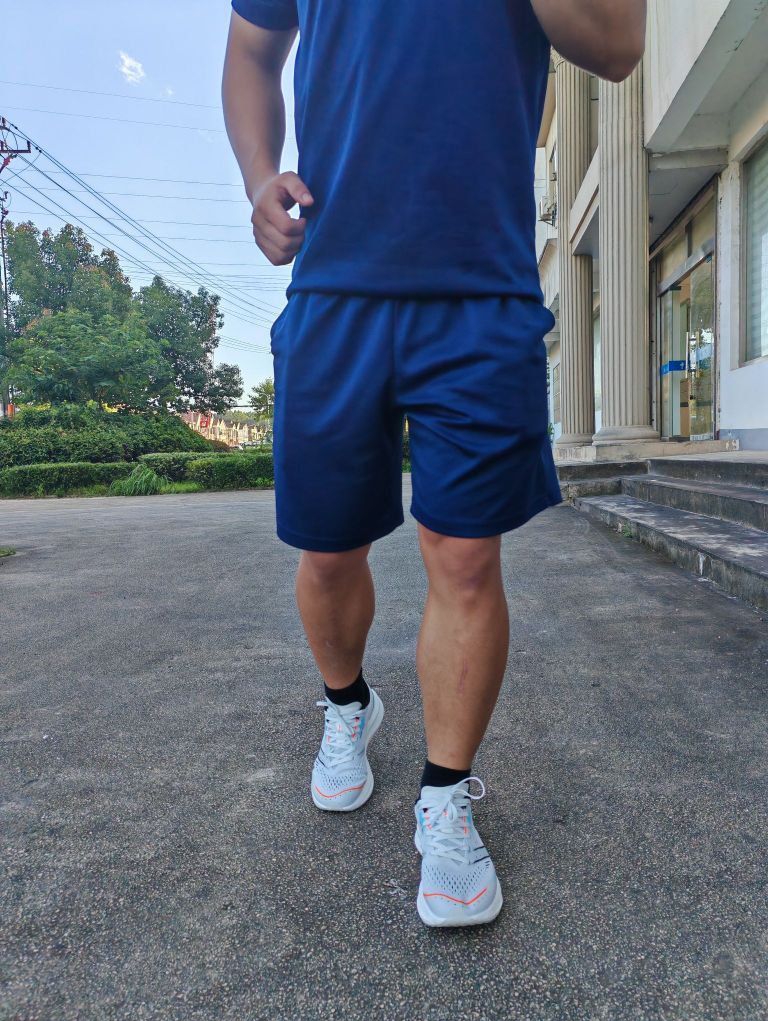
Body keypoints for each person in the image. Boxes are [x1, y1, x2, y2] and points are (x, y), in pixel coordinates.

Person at [222, 0, 646, 928]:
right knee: (328, 549)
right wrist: (259, 177)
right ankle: (348, 706)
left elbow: (618, 45)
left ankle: (446, 796)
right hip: (335, 284)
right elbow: (252, 53)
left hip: (480, 290)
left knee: (465, 558)